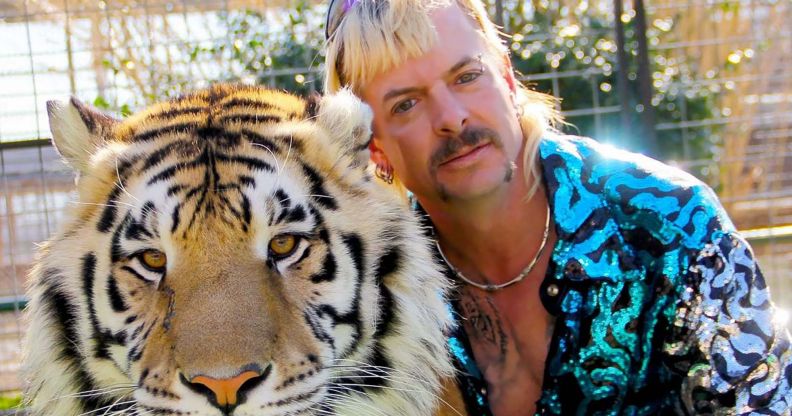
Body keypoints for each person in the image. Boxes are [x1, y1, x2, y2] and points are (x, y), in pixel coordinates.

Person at [323, 0, 792, 414]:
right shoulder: (377, 295)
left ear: (507, 77)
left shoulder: (668, 220)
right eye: (406, 105)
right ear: (375, 148)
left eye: (467, 77)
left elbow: (762, 401)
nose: (452, 118)